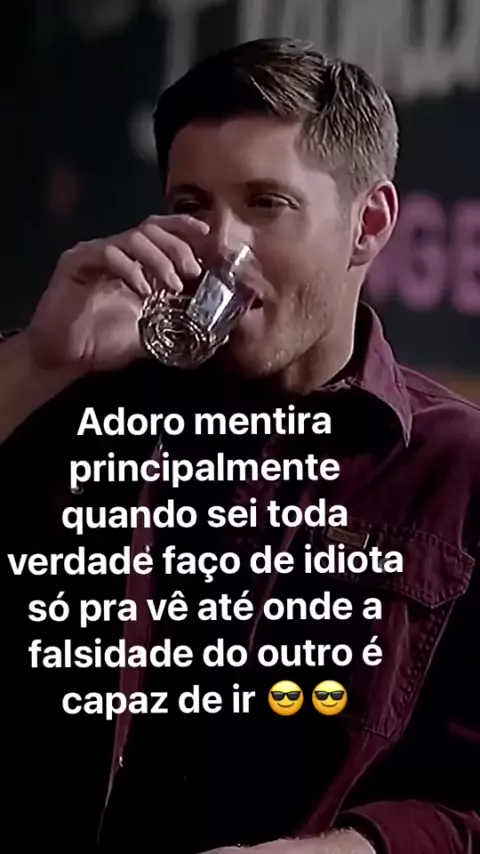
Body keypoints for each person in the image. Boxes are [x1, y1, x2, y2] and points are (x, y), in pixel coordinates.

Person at [1, 38, 479, 854]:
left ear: (368, 225)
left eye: (266, 203)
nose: (220, 243)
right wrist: (38, 363)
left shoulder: (455, 467)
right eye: (193, 203)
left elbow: (465, 801)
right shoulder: (74, 397)